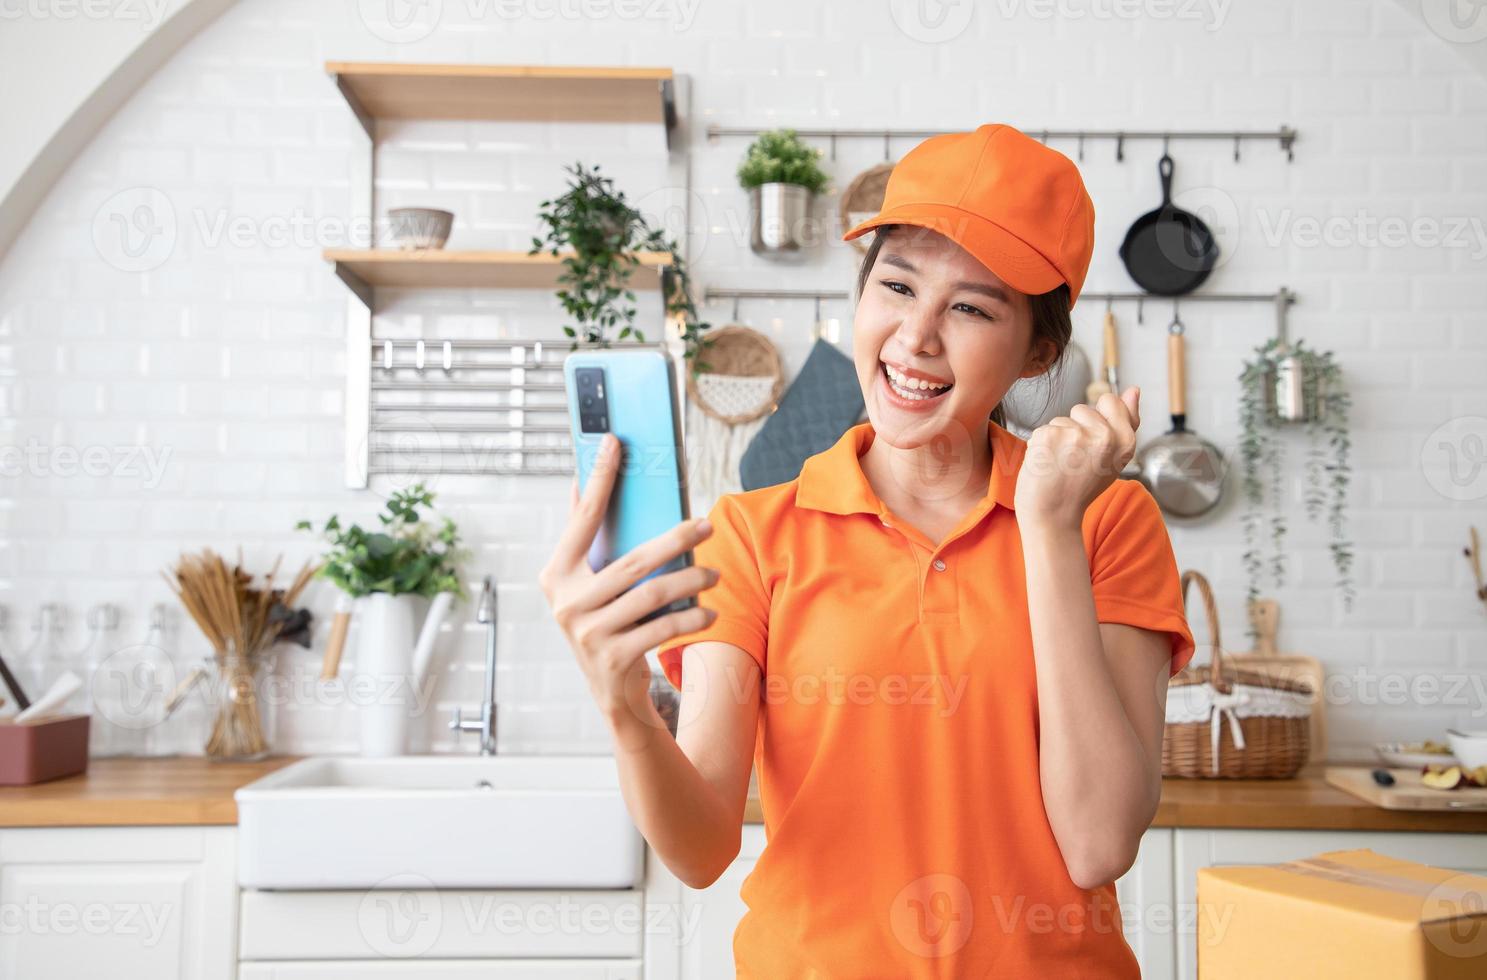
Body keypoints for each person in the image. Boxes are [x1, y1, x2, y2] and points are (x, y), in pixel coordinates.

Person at [540, 122, 1196, 978]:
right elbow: (699, 848)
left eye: (969, 306)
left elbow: (1097, 843)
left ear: (1039, 348)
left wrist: (1046, 529)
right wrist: (623, 704)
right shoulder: (753, 533)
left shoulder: (1107, 522)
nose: (916, 336)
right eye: (895, 285)